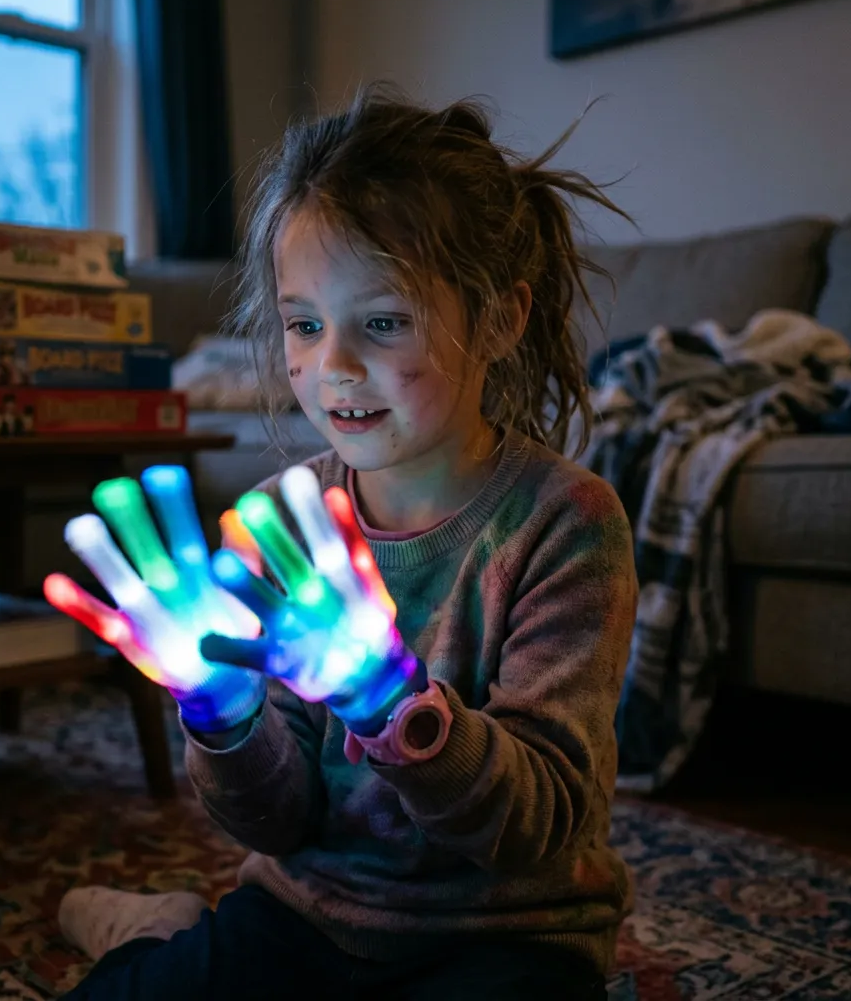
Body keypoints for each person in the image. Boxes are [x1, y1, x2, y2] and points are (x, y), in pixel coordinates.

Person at [49, 83, 639, 1000]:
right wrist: (221, 709)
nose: (335, 366)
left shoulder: (567, 524)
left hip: (508, 935)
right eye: (305, 324)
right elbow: (279, 824)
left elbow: (539, 828)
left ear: (499, 319)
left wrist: (391, 707)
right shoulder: (278, 523)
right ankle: (151, 932)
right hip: (307, 915)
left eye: (385, 321)